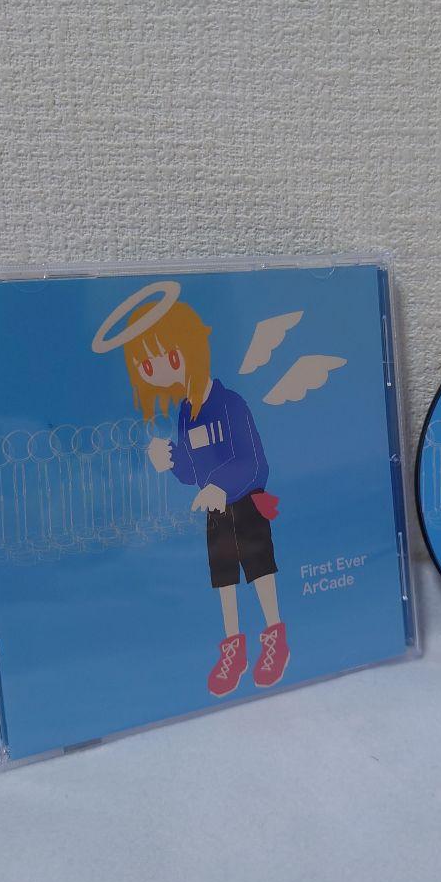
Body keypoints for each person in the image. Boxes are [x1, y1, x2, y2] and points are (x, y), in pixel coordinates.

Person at [124, 298, 289, 695]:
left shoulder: (231, 403)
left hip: (246, 504)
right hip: (214, 512)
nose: (160, 371)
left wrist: (220, 485)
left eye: (169, 356)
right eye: (148, 366)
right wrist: (170, 458)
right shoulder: (186, 412)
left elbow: (254, 462)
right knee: (224, 579)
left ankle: (274, 637)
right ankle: (234, 648)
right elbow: (192, 471)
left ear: (192, 347)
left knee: (260, 571)